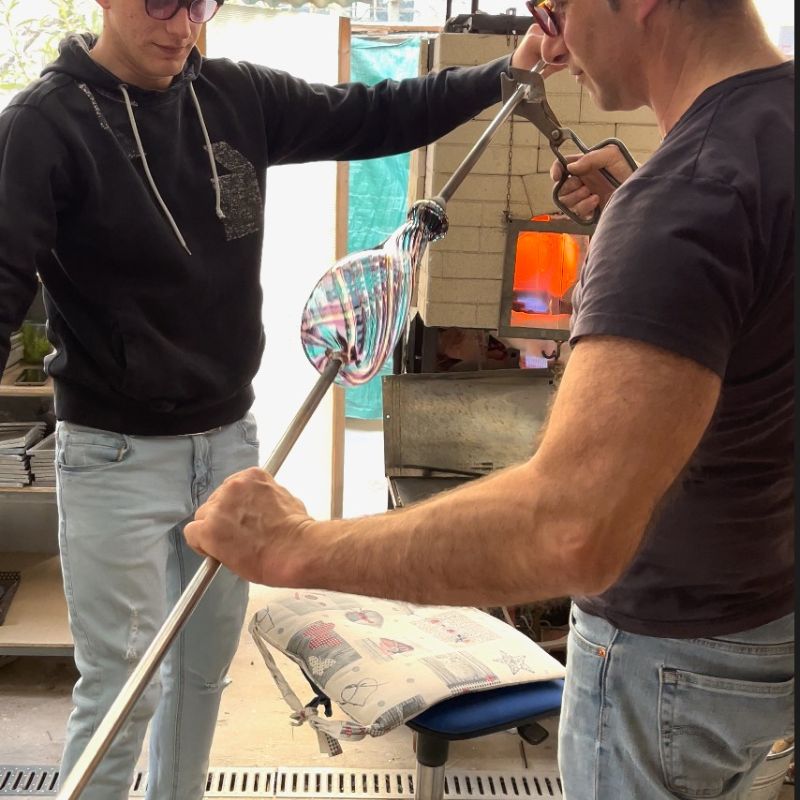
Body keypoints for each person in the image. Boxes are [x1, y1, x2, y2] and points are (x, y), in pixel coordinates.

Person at [185, 0, 795, 797]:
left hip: (671, 666)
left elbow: (570, 531)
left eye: (557, 6)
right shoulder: (759, 144)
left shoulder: (691, 200)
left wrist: (292, 547)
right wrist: (653, 227)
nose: (557, 39)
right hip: (769, 632)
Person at [0, 0, 545, 796]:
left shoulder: (233, 96)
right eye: (160, 2)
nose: (181, 24)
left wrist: (505, 73)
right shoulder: (44, 126)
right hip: (114, 454)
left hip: (229, 448)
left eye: (199, 4)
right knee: (123, 687)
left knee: (200, 678)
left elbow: (374, 114)